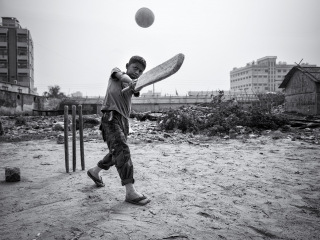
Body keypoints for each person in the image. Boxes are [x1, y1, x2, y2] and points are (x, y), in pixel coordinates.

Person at [87, 56, 151, 206]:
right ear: (127, 66)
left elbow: (136, 90)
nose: (137, 72)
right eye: (135, 68)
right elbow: (123, 77)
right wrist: (131, 81)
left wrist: (138, 85)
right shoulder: (117, 73)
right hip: (111, 116)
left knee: (115, 152)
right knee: (122, 150)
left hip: (123, 120)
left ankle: (94, 171)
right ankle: (130, 191)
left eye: (141, 71)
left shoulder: (134, 83)